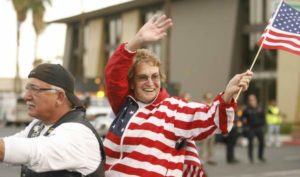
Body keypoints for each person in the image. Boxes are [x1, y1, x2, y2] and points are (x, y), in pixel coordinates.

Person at [104, 14, 253, 177]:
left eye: (155, 76)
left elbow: (211, 117)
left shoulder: (174, 109)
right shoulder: (125, 103)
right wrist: (138, 39)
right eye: (142, 77)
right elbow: (114, 75)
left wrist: (228, 95)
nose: (150, 82)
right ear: (131, 82)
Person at [0, 64, 105, 177]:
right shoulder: (38, 125)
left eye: (35, 89)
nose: (26, 96)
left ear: (59, 97)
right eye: (27, 89)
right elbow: (13, 145)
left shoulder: (78, 133)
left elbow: (34, 153)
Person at [242, 94, 266, 163]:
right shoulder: (246, 109)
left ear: (256, 100)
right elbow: (243, 119)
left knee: (262, 142)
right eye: (250, 100)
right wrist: (245, 126)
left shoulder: (260, 108)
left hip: (259, 127)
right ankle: (251, 158)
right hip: (250, 128)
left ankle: (260, 156)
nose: (252, 101)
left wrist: (263, 125)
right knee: (251, 143)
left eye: (253, 100)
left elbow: (263, 118)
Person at [197, 92, 217, 165]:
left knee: (211, 144)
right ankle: (202, 158)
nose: (209, 99)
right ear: (205, 98)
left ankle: (210, 158)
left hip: (212, 127)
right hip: (204, 128)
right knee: (204, 144)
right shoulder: (202, 105)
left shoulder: (212, 105)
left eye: (210, 97)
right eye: (208, 97)